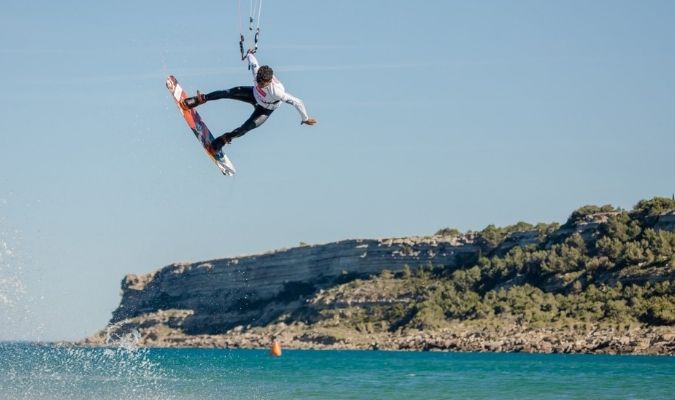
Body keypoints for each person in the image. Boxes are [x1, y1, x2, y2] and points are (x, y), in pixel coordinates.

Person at [181, 49, 317, 154]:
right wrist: (249, 53)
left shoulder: (277, 91)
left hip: (265, 110)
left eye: (262, 83)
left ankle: (224, 138)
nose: (258, 83)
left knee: (245, 128)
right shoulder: (257, 72)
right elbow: (252, 59)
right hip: (253, 95)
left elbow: (297, 102)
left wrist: (305, 118)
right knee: (229, 92)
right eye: (258, 80)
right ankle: (200, 99)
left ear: (269, 81)